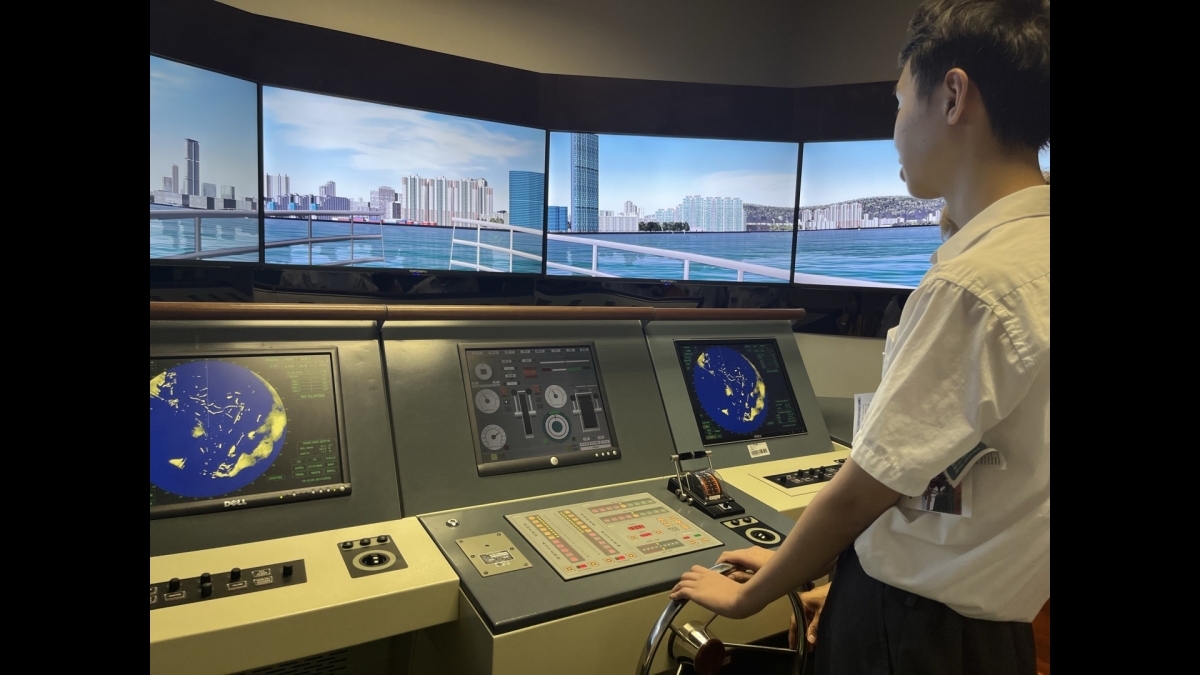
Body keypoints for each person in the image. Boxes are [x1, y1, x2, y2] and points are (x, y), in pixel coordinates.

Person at [670, 1, 1050, 672]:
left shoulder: (975, 286)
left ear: (953, 96)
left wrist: (754, 593)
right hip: (983, 633)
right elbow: (968, 484)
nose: (895, 130)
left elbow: (867, 484)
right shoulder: (1028, 258)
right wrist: (845, 585)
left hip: (912, 636)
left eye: (900, 104)